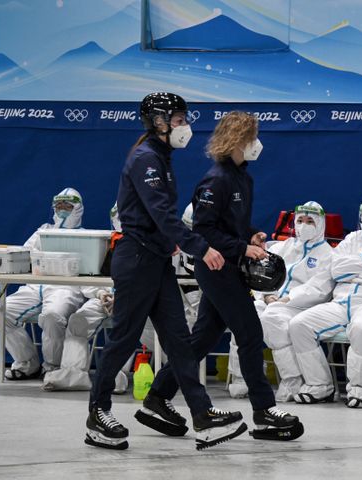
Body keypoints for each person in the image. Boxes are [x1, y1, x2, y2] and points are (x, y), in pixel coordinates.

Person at [134, 110, 304, 443]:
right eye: (252, 137)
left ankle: (157, 397)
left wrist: (251, 236)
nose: (256, 144)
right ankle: (264, 411)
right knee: (250, 333)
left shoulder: (243, 177)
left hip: (230, 267)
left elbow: (230, 226)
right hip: (215, 269)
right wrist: (243, 248)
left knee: (204, 338)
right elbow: (204, 230)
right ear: (239, 140)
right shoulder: (216, 180)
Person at [85, 92, 240, 451]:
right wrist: (201, 248)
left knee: (179, 340)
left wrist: (170, 243)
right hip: (137, 260)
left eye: (184, 119)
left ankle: (202, 416)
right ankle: (98, 412)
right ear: (158, 121)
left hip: (155, 259)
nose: (185, 126)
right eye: (178, 119)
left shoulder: (161, 157)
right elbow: (162, 214)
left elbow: (160, 219)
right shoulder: (146, 159)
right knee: (124, 337)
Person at [288, 192, 362, 407]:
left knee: (361, 328)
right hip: (341, 302)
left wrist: (355, 269)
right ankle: (319, 386)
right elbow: (336, 270)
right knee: (300, 325)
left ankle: (359, 390)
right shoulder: (351, 239)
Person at [42, 204, 153, 393]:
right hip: (105, 297)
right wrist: (101, 293)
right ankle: (73, 374)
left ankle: (116, 376)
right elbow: (88, 276)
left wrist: (128, 297)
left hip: (138, 302)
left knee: (128, 327)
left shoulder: (152, 245)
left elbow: (156, 280)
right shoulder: (103, 243)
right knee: (78, 321)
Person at [0, 188, 85, 380]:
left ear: (77, 209)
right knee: (1, 313)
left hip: (65, 288)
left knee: (52, 316)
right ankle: (27, 363)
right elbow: (23, 255)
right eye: (59, 206)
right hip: (35, 286)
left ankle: (52, 367)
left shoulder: (86, 237)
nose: (62, 211)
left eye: (67, 206)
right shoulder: (42, 232)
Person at [253, 201, 334, 402]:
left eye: (310, 221)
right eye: (300, 220)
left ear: (320, 224)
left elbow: (320, 288)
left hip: (301, 306)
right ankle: (245, 378)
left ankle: (292, 380)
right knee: (247, 314)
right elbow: (262, 273)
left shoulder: (328, 254)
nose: (303, 225)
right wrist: (266, 294)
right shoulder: (283, 247)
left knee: (273, 317)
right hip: (273, 299)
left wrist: (288, 298)